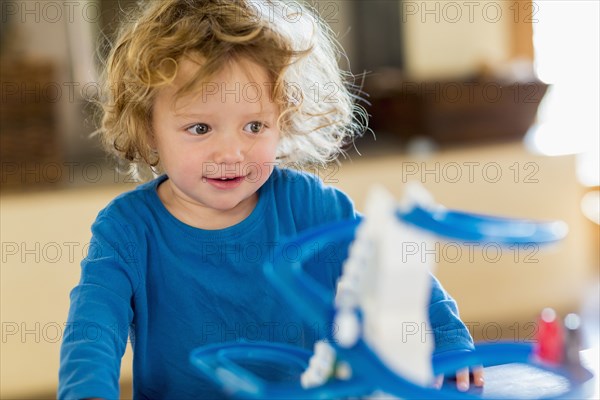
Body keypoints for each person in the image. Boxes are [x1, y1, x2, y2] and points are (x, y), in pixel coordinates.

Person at [58, 1, 483, 398]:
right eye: (200, 129)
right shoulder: (126, 228)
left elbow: (394, 272)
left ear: (283, 118)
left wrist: (447, 337)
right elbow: (93, 329)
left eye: (255, 126)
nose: (231, 153)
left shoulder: (312, 206)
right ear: (149, 128)